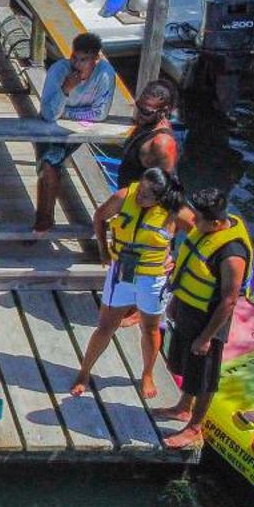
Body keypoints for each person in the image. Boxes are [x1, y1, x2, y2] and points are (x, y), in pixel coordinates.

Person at [69, 167, 193, 402]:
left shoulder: (175, 212)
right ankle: (84, 373)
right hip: (121, 273)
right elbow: (99, 216)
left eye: (147, 195)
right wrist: (103, 251)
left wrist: (178, 261)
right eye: (141, 188)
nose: (140, 196)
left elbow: (199, 235)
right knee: (105, 326)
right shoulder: (123, 197)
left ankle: (147, 374)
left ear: (161, 197)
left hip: (153, 278)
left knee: (150, 328)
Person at [158, 186, 253, 450]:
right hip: (189, 308)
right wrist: (176, 301)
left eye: (198, 219)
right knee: (184, 363)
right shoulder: (206, 230)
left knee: (204, 375)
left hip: (210, 320)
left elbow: (229, 300)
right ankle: (182, 407)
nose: (193, 223)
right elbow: (189, 268)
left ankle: (195, 427)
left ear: (216, 222)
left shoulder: (232, 254)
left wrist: (206, 337)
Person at [32, 33, 118, 234]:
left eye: (84, 60)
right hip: (49, 128)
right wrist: (65, 89)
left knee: (50, 164)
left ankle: (43, 219)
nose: (78, 64)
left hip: (78, 128)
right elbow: (48, 114)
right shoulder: (59, 71)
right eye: (75, 58)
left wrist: (65, 112)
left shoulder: (105, 74)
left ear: (96, 59)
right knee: (47, 166)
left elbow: (100, 113)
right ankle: (44, 217)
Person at [114, 78, 181, 186]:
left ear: (163, 112)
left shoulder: (162, 143)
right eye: (139, 106)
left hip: (139, 200)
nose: (139, 114)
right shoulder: (147, 123)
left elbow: (166, 184)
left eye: (146, 111)